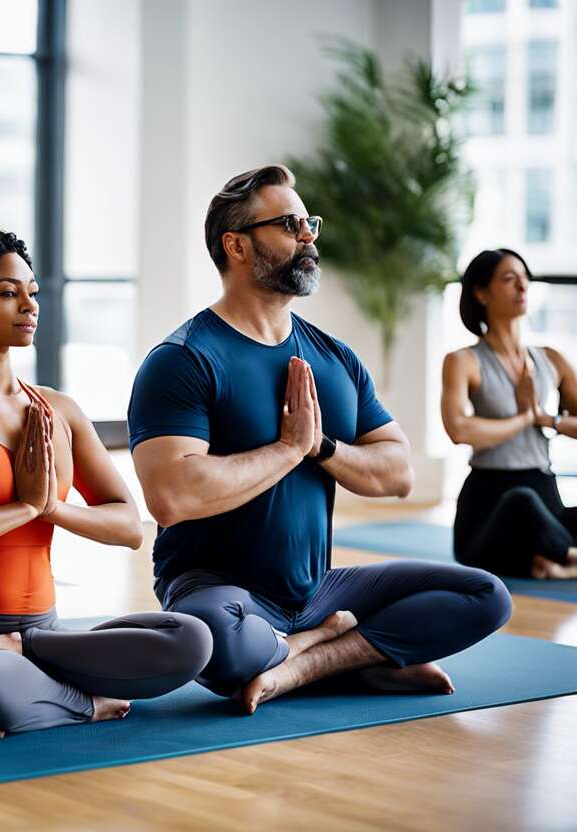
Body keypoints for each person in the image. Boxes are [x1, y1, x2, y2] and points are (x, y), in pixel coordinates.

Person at [128, 165, 512, 714]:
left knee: (485, 596)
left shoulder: (334, 358)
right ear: (236, 245)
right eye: (290, 224)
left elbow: (398, 473)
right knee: (211, 638)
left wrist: (321, 447)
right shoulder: (183, 359)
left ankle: (302, 663)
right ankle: (354, 652)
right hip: (221, 594)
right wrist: (286, 449)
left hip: (317, 590)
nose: (308, 236)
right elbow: (172, 496)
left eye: (310, 223)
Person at [0, 225, 212, 737]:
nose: (29, 306)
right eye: (7, 293)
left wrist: (53, 510)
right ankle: (81, 702)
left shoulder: (59, 410)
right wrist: (24, 507)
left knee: (190, 638)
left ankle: (24, 679)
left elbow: (128, 526)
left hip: (41, 635)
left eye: (32, 292)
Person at [441, 249, 577, 579]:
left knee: (535, 506)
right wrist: (524, 419)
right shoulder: (463, 361)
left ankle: (556, 563)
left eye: (525, 278)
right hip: (488, 512)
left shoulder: (551, 359)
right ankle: (563, 558)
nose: (522, 286)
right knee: (522, 501)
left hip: (546, 496)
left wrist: (546, 419)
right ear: (481, 293)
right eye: (509, 278)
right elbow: (458, 429)